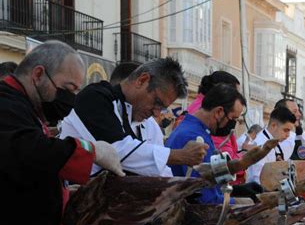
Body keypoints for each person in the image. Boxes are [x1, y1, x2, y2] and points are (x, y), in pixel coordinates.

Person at [0, 40, 124, 225]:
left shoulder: (29, 109)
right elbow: (30, 151)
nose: (70, 98)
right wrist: (93, 151)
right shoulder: (5, 103)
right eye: (68, 88)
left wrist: (63, 191)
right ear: (38, 75)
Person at [60, 57, 208, 177]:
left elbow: (161, 174)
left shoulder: (146, 122)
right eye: (156, 102)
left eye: (162, 108)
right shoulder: (95, 97)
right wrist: (180, 155)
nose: (156, 113)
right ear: (142, 80)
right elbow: (118, 150)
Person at [167, 83, 246, 204]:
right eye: (232, 119)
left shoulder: (197, 130)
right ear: (219, 112)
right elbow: (205, 198)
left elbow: (213, 184)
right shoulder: (194, 137)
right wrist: (243, 202)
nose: (232, 124)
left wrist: (238, 190)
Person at [246, 107, 297, 185]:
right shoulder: (260, 144)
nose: (288, 135)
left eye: (289, 131)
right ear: (273, 125)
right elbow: (257, 179)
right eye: (285, 130)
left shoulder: (276, 141)